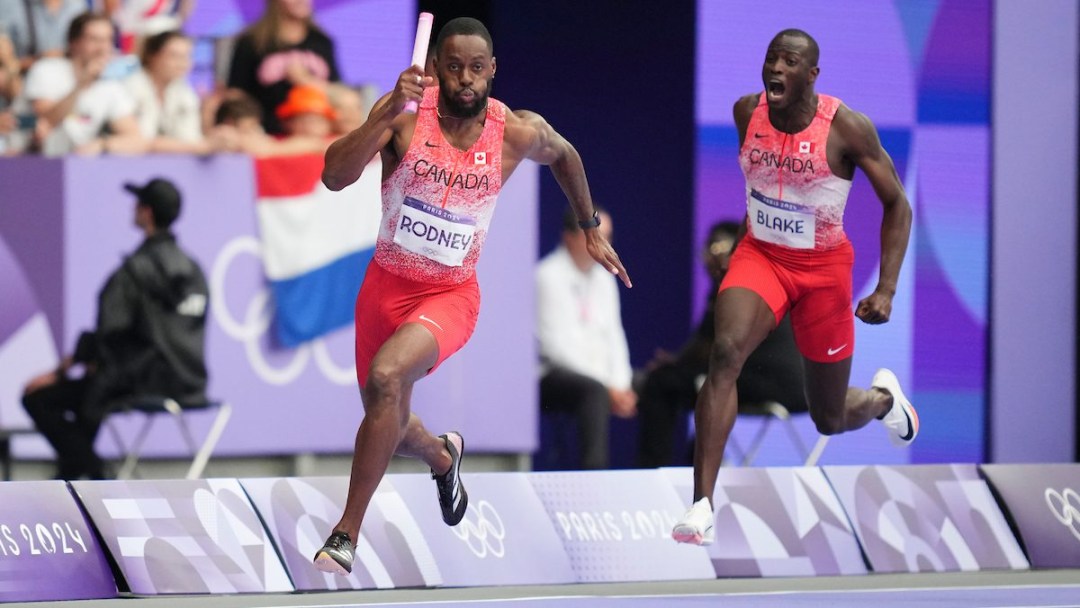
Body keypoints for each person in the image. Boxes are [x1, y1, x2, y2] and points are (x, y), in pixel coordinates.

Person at [311, 17, 630, 576]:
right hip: (384, 287)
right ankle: (442, 454)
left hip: (450, 295)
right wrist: (384, 115)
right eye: (453, 67)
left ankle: (345, 533)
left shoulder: (515, 131)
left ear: (492, 71)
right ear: (436, 67)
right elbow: (335, 176)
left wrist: (588, 224)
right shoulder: (405, 115)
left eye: (476, 69)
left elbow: (567, 156)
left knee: (387, 378)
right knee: (385, 411)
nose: (465, 80)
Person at [671, 29, 917, 546]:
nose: (776, 69)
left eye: (790, 61)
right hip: (761, 257)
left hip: (823, 272)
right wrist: (742, 247)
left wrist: (888, 289)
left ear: (812, 74)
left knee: (828, 416)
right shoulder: (746, 113)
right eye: (771, 59)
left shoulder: (846, 128)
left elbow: (898, 204)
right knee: (726, 353)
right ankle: (701, 505)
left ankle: (881, 399)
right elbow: (759, 192)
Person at [21, 177, 209, 480]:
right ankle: (78, 482)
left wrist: (61, 371)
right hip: (188, 383)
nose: (133, 209)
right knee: (91, 401)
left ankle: (95, 476)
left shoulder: (135, 270)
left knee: (39, 399)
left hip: (139, 381)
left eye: (138, 204)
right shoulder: (195, 270)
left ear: (146, 213)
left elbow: (110, 333)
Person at [636, 220, 807, 468]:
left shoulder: (737, 286)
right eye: (707, 252)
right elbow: (706, 343)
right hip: (797, 388)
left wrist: (675, 365)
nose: (708, 260)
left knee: (663, 383)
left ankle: (650, 474)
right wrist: (677, 361)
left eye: (715, 250)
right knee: (689, 384)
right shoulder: (762, 277)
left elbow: (713, 347)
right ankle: (697, 465)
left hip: (770, 384)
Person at [536, 206, 636, 470]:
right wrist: (607, 386)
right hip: (553, 375)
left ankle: (655, 474)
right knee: (594, 392)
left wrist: (621, 383)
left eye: (608, 237)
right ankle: (595, 478)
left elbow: (615, 334)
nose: (603, 245)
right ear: (570, 236)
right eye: (596, 236)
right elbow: (556, 347)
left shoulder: (605, 277)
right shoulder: (547, 276)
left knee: (657, 385)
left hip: (602, 376)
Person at [23, 11, 145, 156]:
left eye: (108, 40)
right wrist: (81, 85)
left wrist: (102, 144)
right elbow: (46, 122)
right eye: (94, 40)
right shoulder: (47, 69)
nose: (102, 48)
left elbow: (137, 139)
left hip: (75, 165)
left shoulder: (110, 85)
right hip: (30, 161)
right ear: (73, 43)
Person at [226, 0, 340, 135]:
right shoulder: (251, 42)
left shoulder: (322, 42)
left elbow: (338, 93)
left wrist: (304, 80)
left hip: (317, 132)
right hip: (266, 133)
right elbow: (236, 94)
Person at [123, 30, 214, 154]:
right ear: (152, 56)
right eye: (174, 56)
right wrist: (204, 146)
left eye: (187, 56)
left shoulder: (185, 92)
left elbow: (190, 137)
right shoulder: (129, 88)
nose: (182, 63)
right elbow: (141, 141)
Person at [0, 0, 86, 73]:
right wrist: (39, 60)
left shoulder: (77, 5)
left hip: (72, 77)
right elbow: (7, 63)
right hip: (25, 80)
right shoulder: (10, 5)